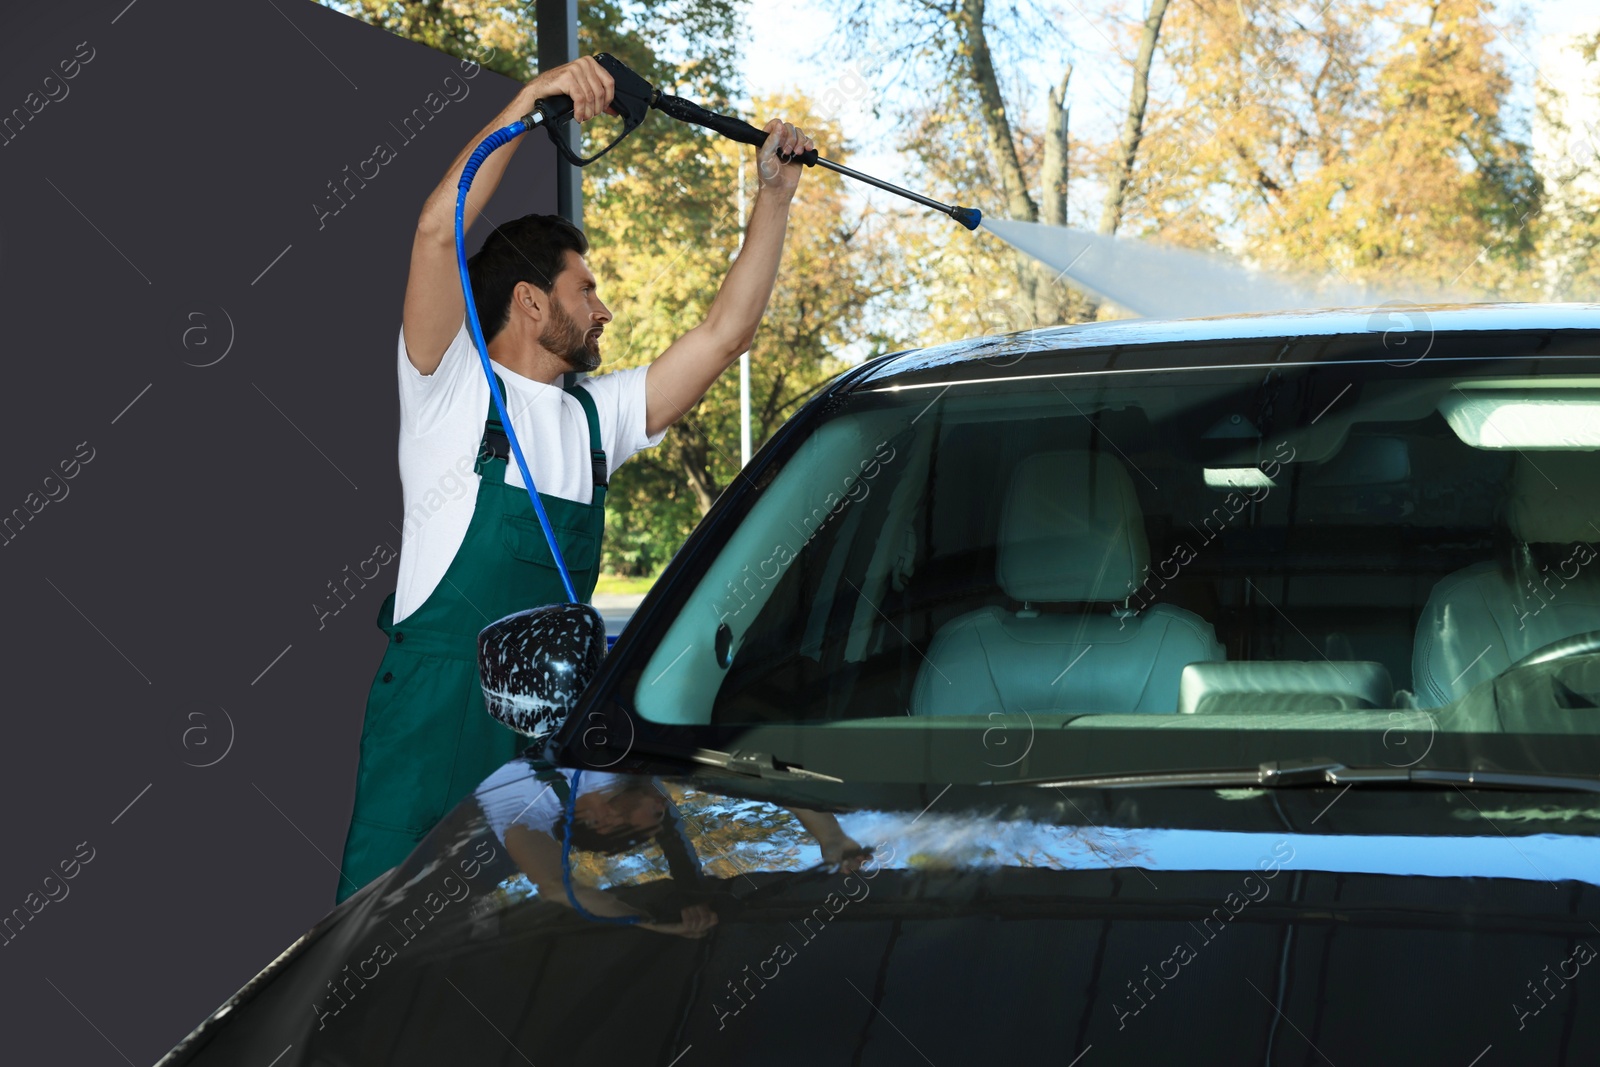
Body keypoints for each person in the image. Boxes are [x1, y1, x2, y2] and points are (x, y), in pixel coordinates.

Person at [335, 55, 816, 904]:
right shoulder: (448, 385)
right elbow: (435, 233)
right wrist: (529, 105)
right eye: (586, 288)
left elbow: (723, 334)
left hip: (541, 741)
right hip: (433, 731)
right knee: (379, 973)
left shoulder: (599, 417)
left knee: (515, 961)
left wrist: (772, 197)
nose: (604, 310)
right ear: (528, 301)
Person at [472, 758, 867, 937]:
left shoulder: (629, 750)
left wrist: (829, 837)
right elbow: (558, 887)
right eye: (661, 814)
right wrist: (651, 923)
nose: (665, 803)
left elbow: (755, 768)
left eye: (658, 814)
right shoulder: (521, 802)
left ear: (607, 820)